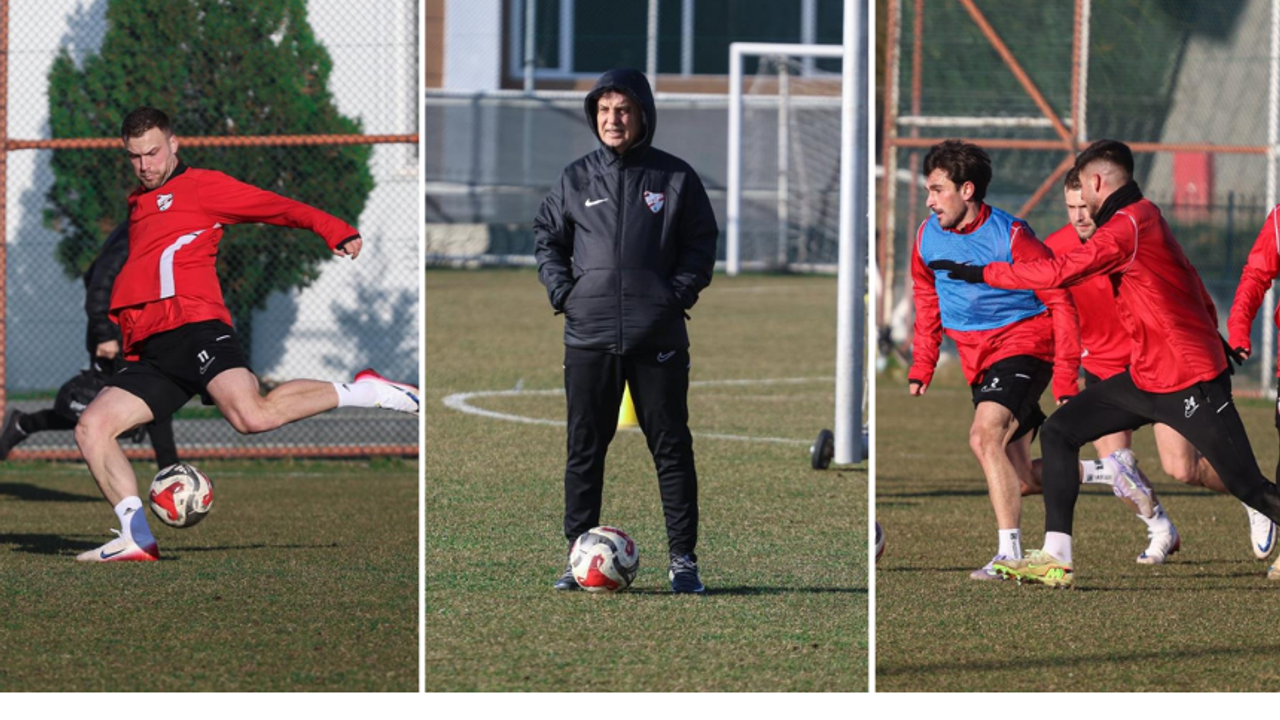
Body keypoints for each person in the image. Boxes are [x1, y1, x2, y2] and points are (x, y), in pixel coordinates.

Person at [74, 106, 419, 563]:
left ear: (173, 144)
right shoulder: (138, 202)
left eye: (153, 153)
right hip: (151, 349)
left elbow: (275, 207)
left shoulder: (203, 186)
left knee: (252, 417)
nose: (145, 165)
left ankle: (368, 390)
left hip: (195, 327)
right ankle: (135, 537)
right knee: (92, 427)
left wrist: (332, 228)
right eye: (135, 156)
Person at [929, 139, 1280, 587]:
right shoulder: (1138, 217)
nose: (1080, 205)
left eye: (1083, 190)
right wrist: (1211, 329)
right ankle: (1056, 558)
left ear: (1096, 182)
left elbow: (1058, 273)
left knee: (1250, 487)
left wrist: (984, 272)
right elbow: (1188, 278)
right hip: (1147, 376)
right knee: (1059, 431)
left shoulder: (1128, 226)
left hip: (1189, 380)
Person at [1026, 170, 1275, 565]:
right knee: (1115, 468)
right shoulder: (1057, 249)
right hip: (1107, 369)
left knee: (1182, 468)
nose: (1079, 215)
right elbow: (1060, 318)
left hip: (1163, 367)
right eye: (1071, 207)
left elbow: (1186, 283)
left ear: (1099, 197)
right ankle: (1158, 529)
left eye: (1084, 206)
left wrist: (1208, 337)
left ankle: (1253, 500)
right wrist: (1065, 379)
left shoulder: (1133, 232)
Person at [533, 69, 718, 594]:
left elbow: (701, 243)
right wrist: (564, 294)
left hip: (657, 335)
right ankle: (578, 557)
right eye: (603, 110)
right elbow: (547, 237)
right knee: (584, 448)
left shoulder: (675, 177)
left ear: (642, 115)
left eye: (623, 110)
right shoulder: (575, 178)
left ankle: (683, 561)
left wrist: (673, 297)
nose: (612, 120)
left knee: (672, 447)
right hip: (588, 334)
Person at [908, 139, 1084, 581]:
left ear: (966, 190)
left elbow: (1060, 301)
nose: (929, 201)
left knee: (984, 437)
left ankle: (1009, 557)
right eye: (928, 191)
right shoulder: (926, 236)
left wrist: (1066, 377)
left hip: (1024, 342)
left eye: (937, 190)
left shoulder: (1012, 236)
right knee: (1022, 477)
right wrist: (923, 362)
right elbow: (926, 297)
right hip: (977, 358)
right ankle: (1106, 471)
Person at [0, 221, 179, 469]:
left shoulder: (154, 232)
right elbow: (98, 285)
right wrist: (106, 334)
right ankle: (25, 424)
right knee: (93, 407)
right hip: (116, 339)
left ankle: (171, 471)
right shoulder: (133, 233)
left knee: (155, 402)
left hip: (139, 335)